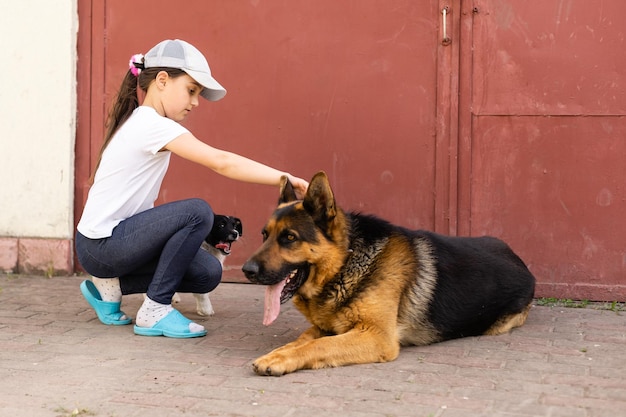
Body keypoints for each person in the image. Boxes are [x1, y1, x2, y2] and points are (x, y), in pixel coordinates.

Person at [75, 39, 309, 338]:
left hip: (109, 244)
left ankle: (108, 289)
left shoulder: (145, 121)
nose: (195, 102)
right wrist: (283, 177)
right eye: (191, 90)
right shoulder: (150, 124)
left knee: (207, 273)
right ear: (162, 80)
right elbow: (221, 162)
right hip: (104, 246)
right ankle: (155, 310)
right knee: (198, 212)